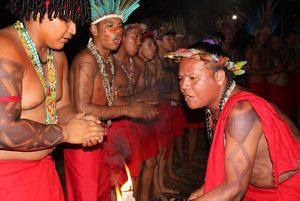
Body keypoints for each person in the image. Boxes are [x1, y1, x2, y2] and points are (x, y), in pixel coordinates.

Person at [166, 43, 300, 200]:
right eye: (181, 78)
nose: (183, 85)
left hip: (288, 191)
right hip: (253, 187)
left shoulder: (241, 112)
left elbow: (234, 189)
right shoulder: (215, 106)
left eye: (193, 78)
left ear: (219, 77)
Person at [0, 0, 105, 201]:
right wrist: (66, 132)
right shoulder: (5, 47)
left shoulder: (57, 56)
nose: (73, 29)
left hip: (45, 173)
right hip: (7, 181)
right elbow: (3, 129)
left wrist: (83, 124)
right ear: (38, 10)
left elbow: (61, 109)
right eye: (66, 19)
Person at [64, 1, 156, 201]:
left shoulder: (106, 59)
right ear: (94, 29)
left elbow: (109, 97)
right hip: (83, 143)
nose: (118, 32)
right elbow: (82, 107)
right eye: (110, 26)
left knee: (105, 194)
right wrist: (127, 110)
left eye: (120, 26)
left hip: (101, 138)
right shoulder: (87, 60)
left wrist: (136, 106)